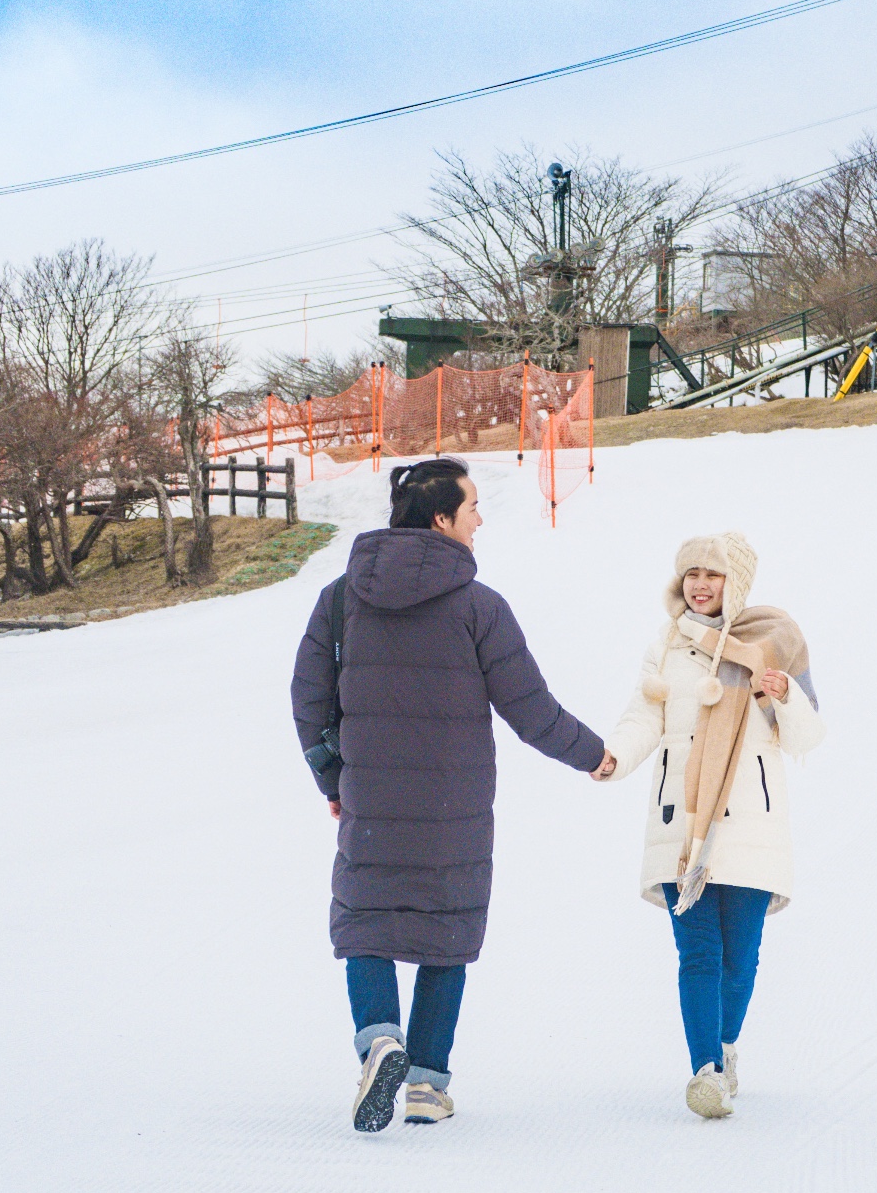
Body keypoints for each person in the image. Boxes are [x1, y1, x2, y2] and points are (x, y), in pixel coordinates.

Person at [291, 457, 605, 1133]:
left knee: (366, 920)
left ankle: (380, 1041)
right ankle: (428, 1083)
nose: (480, 518)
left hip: (371, 801)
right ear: (441, 519)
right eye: (472, 507)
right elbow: (531, 708)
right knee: (446, 931)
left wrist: (332, 777)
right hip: (453, 811)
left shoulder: (340, 599)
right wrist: (593, 754)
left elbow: (308, 699)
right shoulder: (478, 606)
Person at [591, 532, 824, 1118]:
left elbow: (810, 734)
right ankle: (705, 1072)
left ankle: (724, 1049)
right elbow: (643, 715)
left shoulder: (774, 643)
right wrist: (614, 755)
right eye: (691, 573)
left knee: (739, 956)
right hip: (683, 822)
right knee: (696, 952)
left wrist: (783, 696)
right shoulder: (666, 647)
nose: (699, 584)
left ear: (736, 582)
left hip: (751, 820)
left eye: (713, 574)